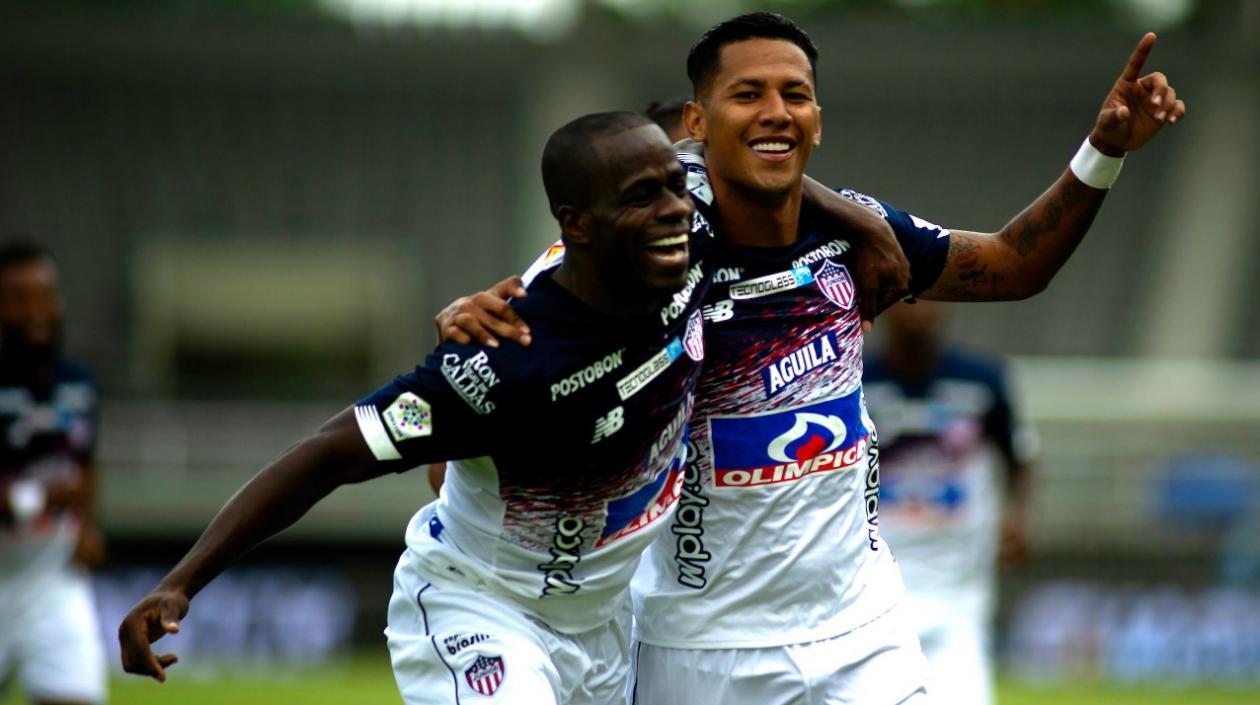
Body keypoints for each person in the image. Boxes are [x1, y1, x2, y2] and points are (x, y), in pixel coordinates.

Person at [439, 11, 1185, 704]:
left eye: (795, 94)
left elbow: (1013, 264)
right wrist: (460, 328)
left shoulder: (855, 238)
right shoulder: (650, 261)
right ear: (695, 124)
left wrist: (1104, 151)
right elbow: (499, 362)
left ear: (818, 121)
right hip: (700, 648)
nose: (776, 111)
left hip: (865, 632)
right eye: (748, 93)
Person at [118, 111, 710, 705]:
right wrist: (180, 583)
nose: (676, 208)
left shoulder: (696, 248)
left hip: (606, 622)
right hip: (483, 607)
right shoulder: (505, 358)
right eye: (642, 196)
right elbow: (329, 454)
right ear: (578, 225)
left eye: (676, 187)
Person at [864, 300, 1037, 705]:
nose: (919, 310)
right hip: (874, 584)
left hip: (957, 588)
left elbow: (1022, 454)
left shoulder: (983, 378)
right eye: (909, 298)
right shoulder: (853, 379)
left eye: (929, 298)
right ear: (886, 303)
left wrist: (1018, 516)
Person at [0, 243, 107, 705]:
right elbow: (59, 488)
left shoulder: (77, 383)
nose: (38, 310)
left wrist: (88, 524)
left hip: (53, 578)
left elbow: (86, 466)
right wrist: (38, 499)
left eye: (46, 295)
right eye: (20, 297)